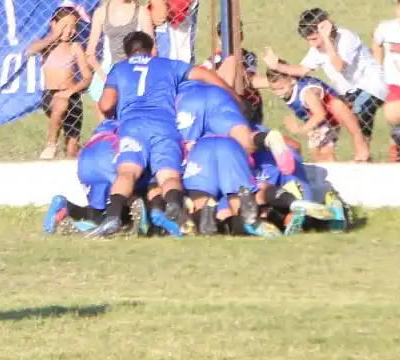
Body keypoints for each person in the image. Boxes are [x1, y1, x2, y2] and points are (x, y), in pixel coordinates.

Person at [90, 31, 232, 238]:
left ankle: (113, 217)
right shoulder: (168, 65)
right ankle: (173, 208)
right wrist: (231, 93)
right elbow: (204, 74)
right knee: (168, 175)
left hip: (133, 127)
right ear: (152, 50)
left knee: (127, 172)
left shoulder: (119, 69)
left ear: (127, 53)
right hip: (164, 126)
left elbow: (106, 104)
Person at [263, 8, 387, 161]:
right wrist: (277, 66)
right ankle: (362, 158)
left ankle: (362, 156)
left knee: (355, 116)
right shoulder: (317, 49)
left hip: (371, 86)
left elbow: (339, 66)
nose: (312, 44)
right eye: (309, 40)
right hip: (348, 92)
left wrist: (327, 40)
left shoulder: (346, 38)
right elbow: (302, 69)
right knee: (342, 121)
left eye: (314, 39)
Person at [176, 78, 294, 173]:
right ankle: (267, 138)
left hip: (189, 103)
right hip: (220, 98)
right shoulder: (191, 72)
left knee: (188, 152)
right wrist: (234, 98)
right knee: (245, 140)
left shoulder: (171, 80)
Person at [28, 6, 91, 160]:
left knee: (72, 150)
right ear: (53, 24)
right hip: (52, 95)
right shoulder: (47, 46)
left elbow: (87, 77)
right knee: (61, 103)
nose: (69, 31)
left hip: (73, 97)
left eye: (73, 26)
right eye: (64, 26)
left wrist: (70, 92)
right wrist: (53, 36)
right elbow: (30, 51)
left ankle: (77, 153)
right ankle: (51, 144)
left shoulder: (75, 47)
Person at [263, 70, 366, 163]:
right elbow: (259, 82)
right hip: (319, 120)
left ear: (292, 80)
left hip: (329, 114)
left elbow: (320, 114)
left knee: (321, 157)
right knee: (320, 156)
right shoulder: (287, 84)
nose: (278, 93)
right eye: (274, 89)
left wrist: (300, 129)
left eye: (281, 88)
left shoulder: (306, 92)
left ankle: (360, 156)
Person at [44, 119, 121, 235]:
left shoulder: (110, 122)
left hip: (85, 159)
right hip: (108, 158)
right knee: (112, 212)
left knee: (97, 207)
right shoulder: (138, 126)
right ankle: (83, 227)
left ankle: (65, 207)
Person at [181, 134, 266, 237]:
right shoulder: (238, 121)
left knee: (197, 205)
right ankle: (246, 215)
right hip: (231, 146)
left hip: (202, 148)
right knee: (237, 204)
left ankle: (205, 213)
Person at [86, 0, 154, 74]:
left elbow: (152, 50)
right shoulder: (101, 13)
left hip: (135, 71)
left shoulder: (141, 12)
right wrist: (104, 77)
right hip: (109, 71)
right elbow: (90, 54)